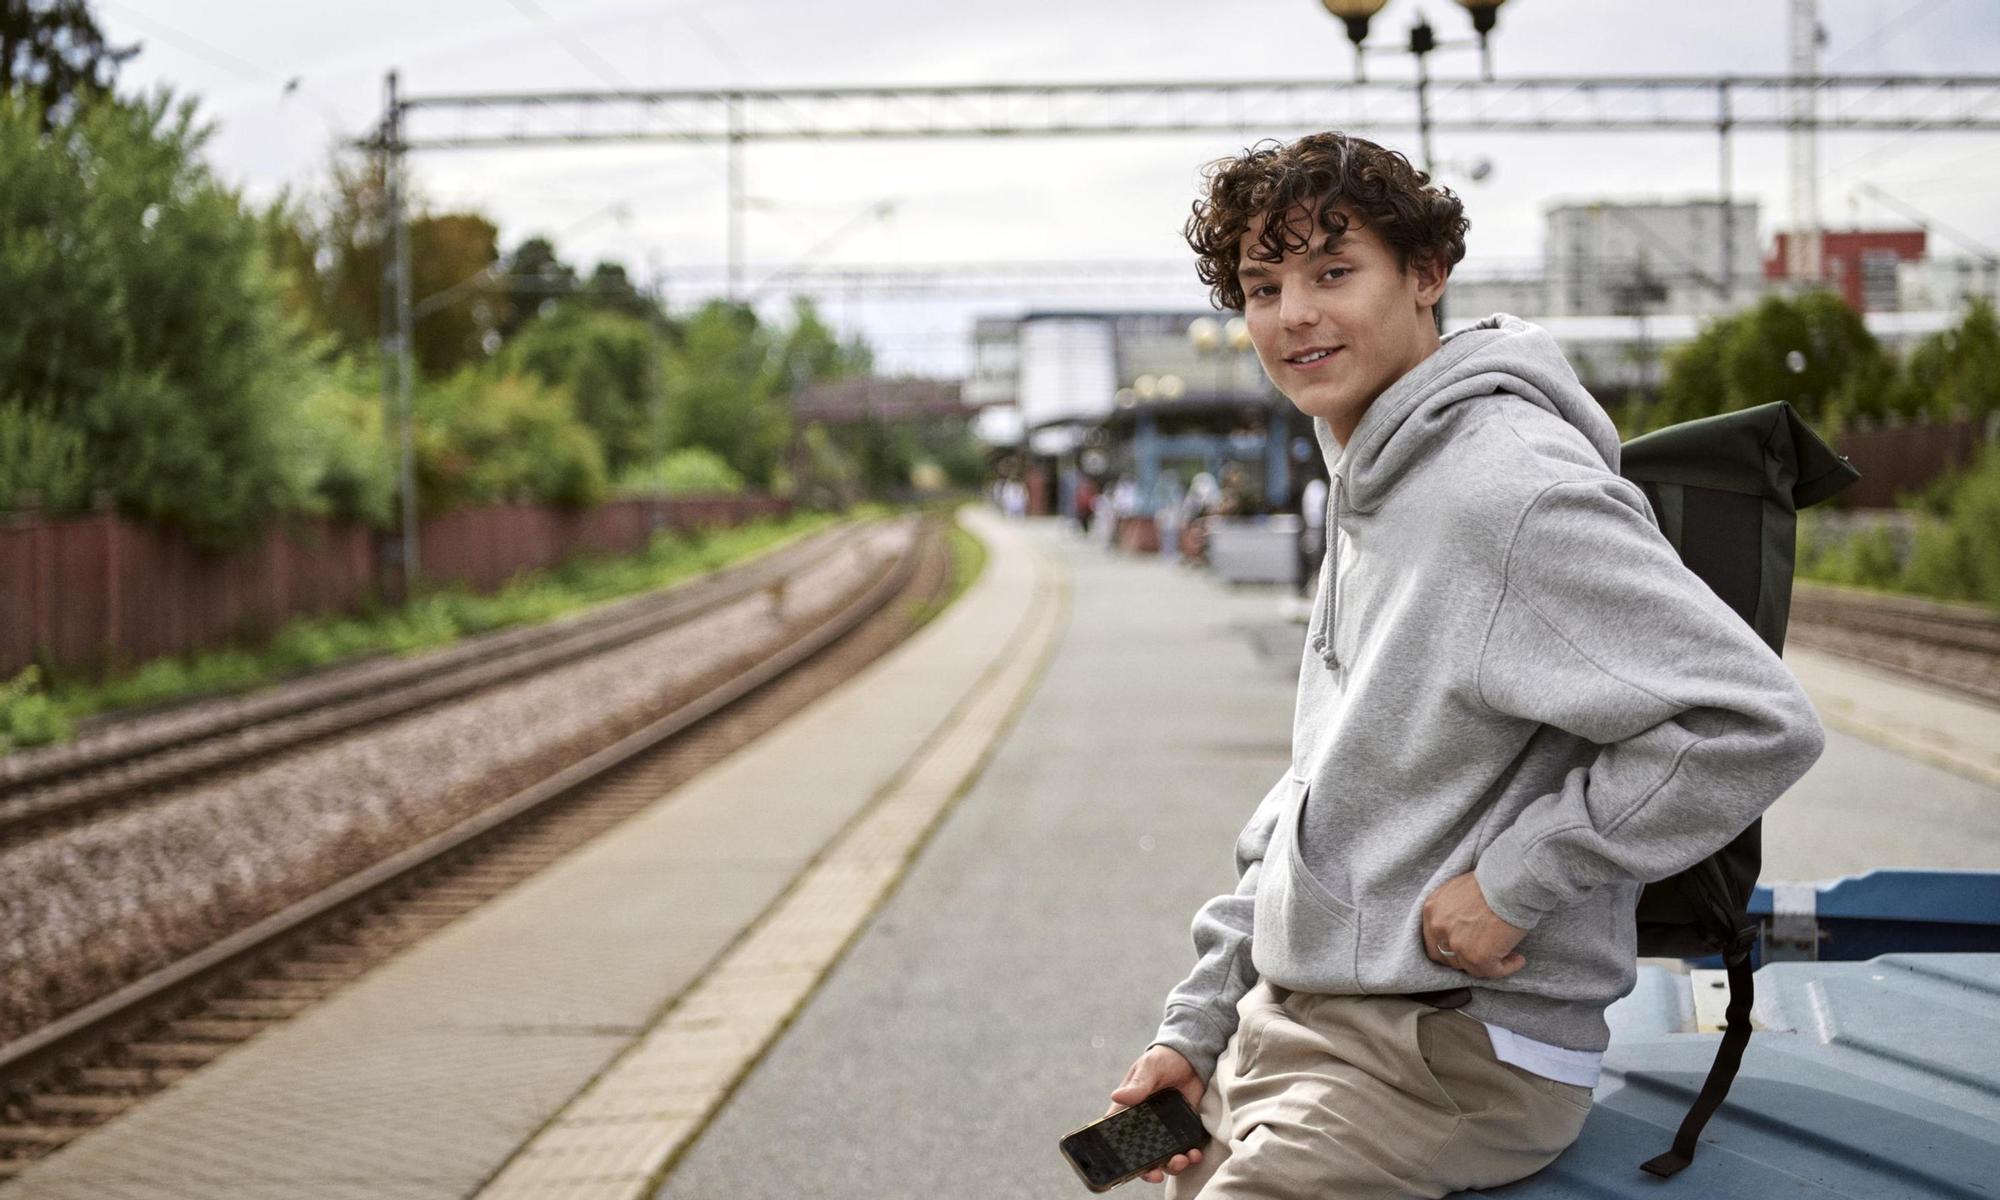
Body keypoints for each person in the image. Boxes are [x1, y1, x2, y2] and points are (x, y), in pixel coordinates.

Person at [1106, 131, 1826, 1198]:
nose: (1292, 313)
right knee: (1140, 1166)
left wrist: (1517, 880)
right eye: (1262, 286)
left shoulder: (1504, 492)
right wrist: (1195, 1027)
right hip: (1299, 1028)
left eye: (1332, 271)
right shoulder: (1370, 482)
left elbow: (1752, 720)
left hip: (1450, 1054)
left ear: (1426, 275)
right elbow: (1319, 790)